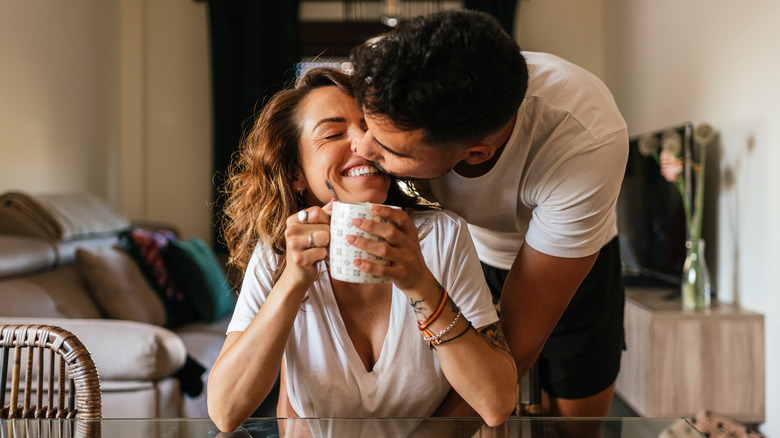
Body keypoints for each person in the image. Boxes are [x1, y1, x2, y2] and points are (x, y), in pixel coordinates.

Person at [349, 10, 629, 418]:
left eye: (391, 151)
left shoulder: (585, 137)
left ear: (478, 151)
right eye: (363, 125)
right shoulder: (386, 67)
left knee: (574, 420)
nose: (362, 148)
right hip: (469, 253)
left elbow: (516, 346)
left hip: (573, 263)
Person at [206, 67, 517, 433]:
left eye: (371, 129)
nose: (363, 144)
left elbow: (495, 404)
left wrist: (420, 285)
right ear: (295, 172)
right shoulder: (278, 250)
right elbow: (226, 412)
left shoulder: (442, 236)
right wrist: (292, 280)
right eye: (334, 133)